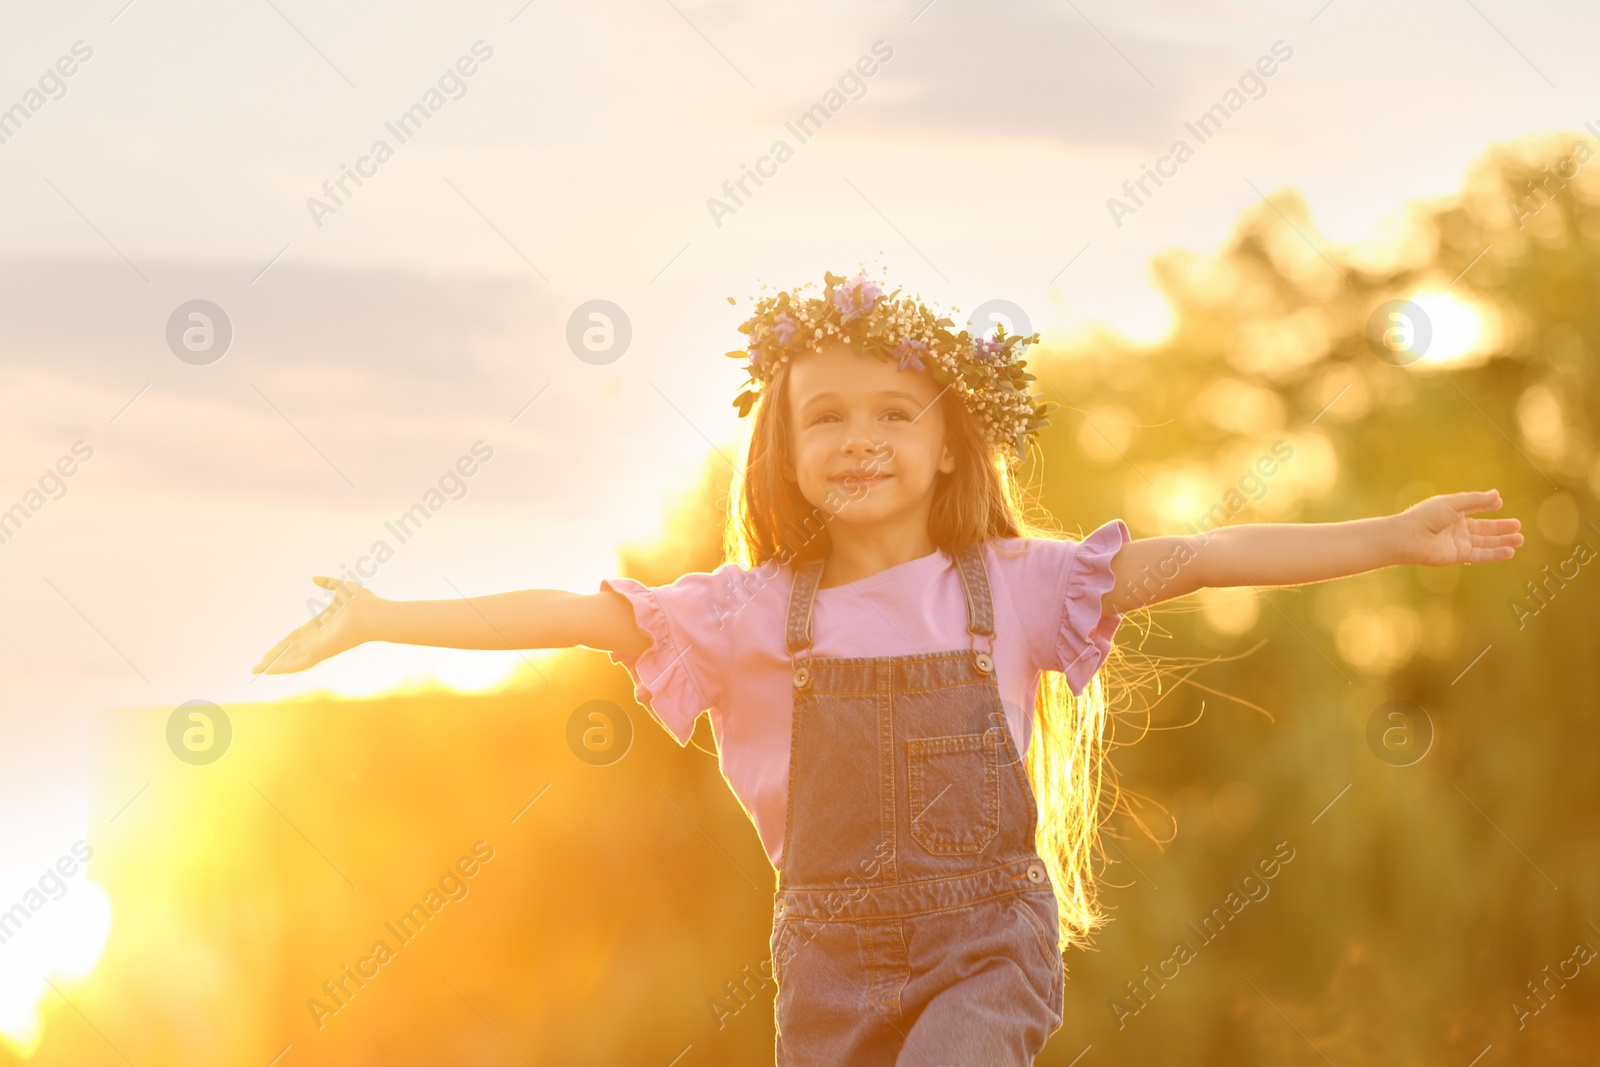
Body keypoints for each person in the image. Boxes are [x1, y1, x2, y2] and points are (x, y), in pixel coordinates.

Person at [253, 269, 1522, 1065]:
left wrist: (1389, 535)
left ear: (946, 438)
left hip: (985, 946)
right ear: (784, 449)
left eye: (890, 411)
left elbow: (1202, 556)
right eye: (825, 415)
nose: (857, 438)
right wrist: (381, 615)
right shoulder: (748, 615)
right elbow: (577, 617)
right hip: (827, 963)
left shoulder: (1018, 589)